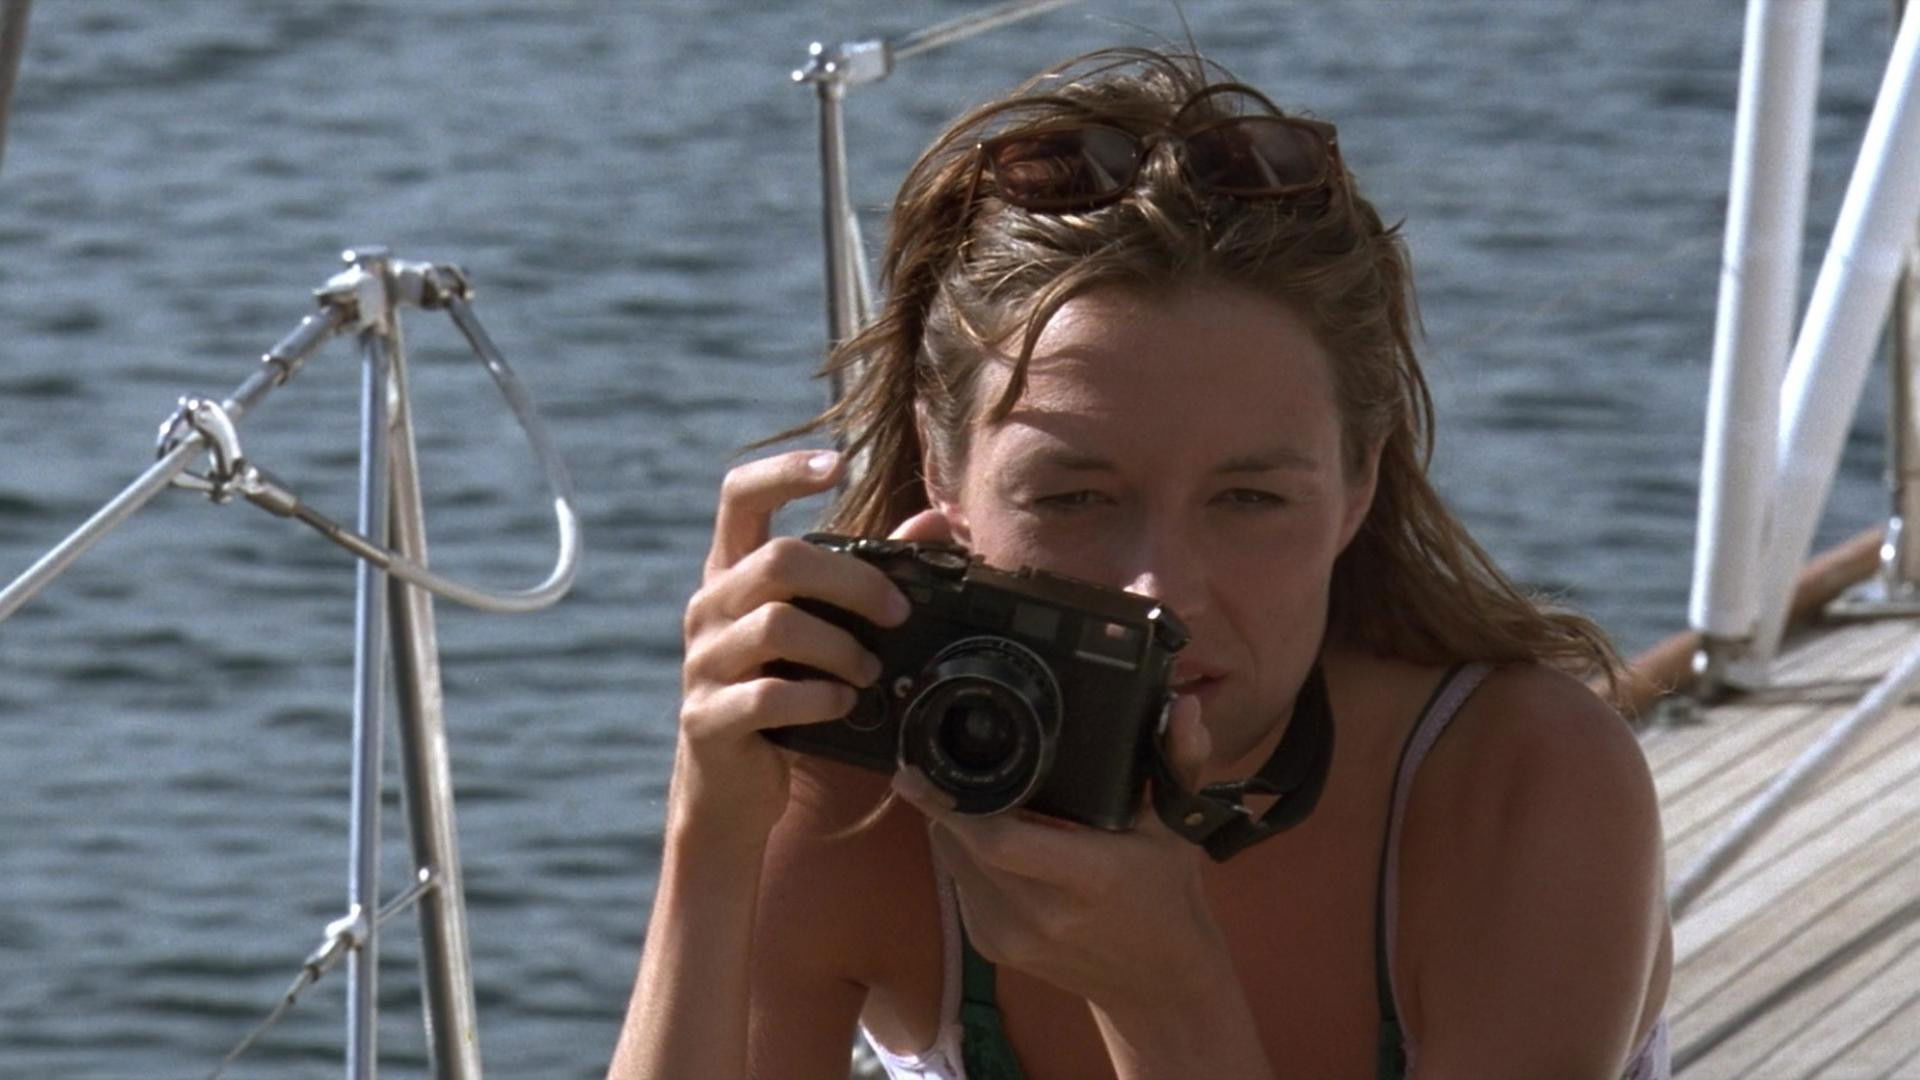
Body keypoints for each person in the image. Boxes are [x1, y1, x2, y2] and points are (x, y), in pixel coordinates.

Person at [608, 47, 1671, 1080]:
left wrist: (1165, 998)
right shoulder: (860, 799)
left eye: (1249, 499)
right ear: (945, 471)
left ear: (1360, 484)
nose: (1160, 588)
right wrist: (711, 833)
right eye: (1073, 498)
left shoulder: (1521, 786)